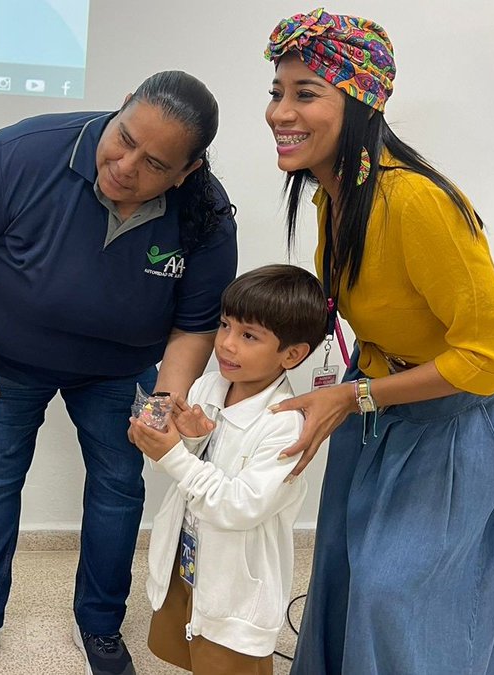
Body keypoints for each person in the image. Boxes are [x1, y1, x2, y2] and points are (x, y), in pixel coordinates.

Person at [0, 71, 239, 675]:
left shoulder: (205, 216)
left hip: (119, 369)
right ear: (121, 106)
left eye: (153, 164)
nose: (124, 167)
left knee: (120, 487)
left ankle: (99, 625)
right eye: (122, 139)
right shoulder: (24, 152)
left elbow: (196, 324)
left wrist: (164, 403)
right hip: (9, 359)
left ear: (186, 172)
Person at [257, 9, 494, 674]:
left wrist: (357, 398)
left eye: (305, 93)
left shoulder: (416, 203)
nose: (278, 112)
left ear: (360, 101)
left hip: (460, 407)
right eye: (276, 92)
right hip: (380, 389)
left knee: (395, 590)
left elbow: (490, 356)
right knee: (344, 564)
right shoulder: (333, 193)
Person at [128, 264, 327, 675]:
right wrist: (188, 440)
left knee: (227, 657)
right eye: (224, 325)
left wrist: (175, 455)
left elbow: (239, 506)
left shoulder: (286, 426)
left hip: (237, 583)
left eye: (248, 336)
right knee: (192, 646)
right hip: (189, 562)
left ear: (292, 354)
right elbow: (173, 466)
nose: (226, 345)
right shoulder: (207, 387)